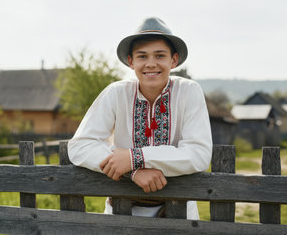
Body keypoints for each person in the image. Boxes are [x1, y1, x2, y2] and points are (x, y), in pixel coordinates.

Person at [68, 17, 212, 219]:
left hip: (179, 213)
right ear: (131, 61)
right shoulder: (116, 93)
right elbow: (80, 146)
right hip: (121, 211)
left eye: (160, 55)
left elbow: (199, 153)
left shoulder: (188, 91)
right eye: (142, 56)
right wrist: (133, 171)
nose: (151, 64)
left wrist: (136, 157)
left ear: (174, 60)